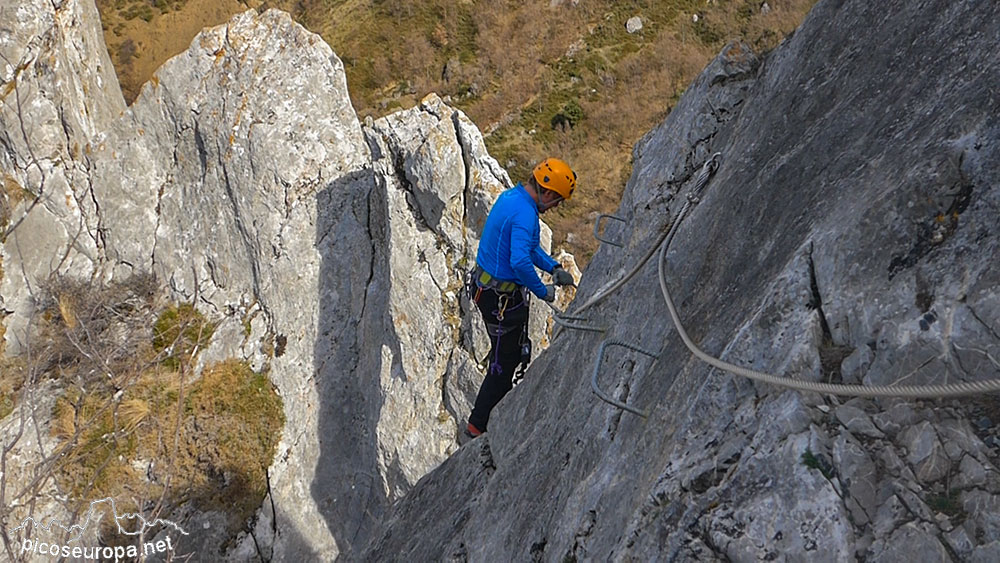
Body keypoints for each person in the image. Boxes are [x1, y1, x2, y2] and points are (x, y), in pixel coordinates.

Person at [464, 158, 577, 440]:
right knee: (505, 362)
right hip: (499, 299)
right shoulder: (525, 215)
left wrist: (554, 267)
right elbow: (520, 262)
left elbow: (528, 249)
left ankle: (485, 419)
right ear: (548, 193)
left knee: (509, 354)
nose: (556, 207)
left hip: (490, 292)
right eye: (558, 201)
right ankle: (478, 425)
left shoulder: (513, 198)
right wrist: (543, 290)